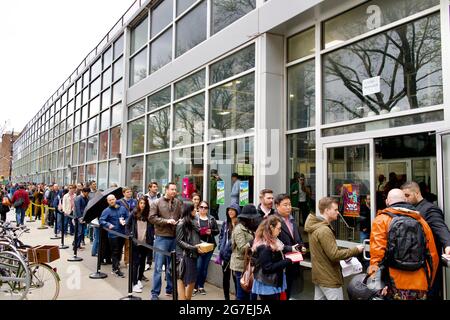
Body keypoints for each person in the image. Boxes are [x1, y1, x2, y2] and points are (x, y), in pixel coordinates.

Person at [368, 188, 439, 300]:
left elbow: (377, 256)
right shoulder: (421, 221)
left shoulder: (381, 220)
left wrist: (376, 285)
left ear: (387, 202)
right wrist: (429, 282)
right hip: (419, 284)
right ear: (405, 200)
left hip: (393, 284)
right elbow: (433, 256)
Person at [304, 197, 364, 300]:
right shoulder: (324, 230)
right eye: (335, 210)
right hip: (329, 278)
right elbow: (334, 255)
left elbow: (325, 250)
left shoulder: (317, 226)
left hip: (320, 276)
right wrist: (356, 250)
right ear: (327, 210)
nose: (338, 213)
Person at [401, 181, 450, 299]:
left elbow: (440, 227)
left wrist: (448, 244)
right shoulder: (410, 208)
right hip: (415, 264)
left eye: (407, 196)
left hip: (428, 263)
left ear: (417, 193)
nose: (405, 199)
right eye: (404, 197)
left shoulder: (429, 209)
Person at [149, 182, 182, 300]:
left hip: (174, 238)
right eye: (172, 189)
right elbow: (151, 218)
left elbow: (181, 216)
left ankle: (170, 289)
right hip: (161, 238)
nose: (174, 191)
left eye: (175, 190)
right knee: (158, 267)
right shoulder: (156, 202)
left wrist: (179, 222)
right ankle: (154, 293)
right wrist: (166, 221)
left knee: (172, 267)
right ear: (166, 190)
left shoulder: (178, 202)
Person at [251, 215, 294, 300]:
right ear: (271, 228)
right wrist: (288, 261)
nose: (280, 231)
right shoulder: (264, 246)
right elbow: (267, 268)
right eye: (278, 228)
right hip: (268, 284)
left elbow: (282, 248)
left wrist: (292, 249)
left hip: (270, 282)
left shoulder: (272, 241)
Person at [274, 193, 306, 299]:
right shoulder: (273, 221)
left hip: (293, 263)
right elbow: (273, 242)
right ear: (277, 206)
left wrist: (301, 247)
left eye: (290, 204)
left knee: (289, 292)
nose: (289, 207)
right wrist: (290, 248)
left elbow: (298, 239)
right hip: (280, 263)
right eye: (285, 205)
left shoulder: (292, 220)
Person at [175, 202, 205, 300]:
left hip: (193, 254)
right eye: (194, 209)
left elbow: (196, 237)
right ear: (189, 210)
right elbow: (179, 241)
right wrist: (194, 247)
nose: (196, 210)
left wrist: (201, 245)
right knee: (181, 279)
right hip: (183, 255)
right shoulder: (181, 223)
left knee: (192, 280)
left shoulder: (194, 221)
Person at [230, 204, 261, 300]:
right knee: (242, 294)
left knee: (249, 292)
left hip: (249, 265)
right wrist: (253, 241)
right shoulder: (239, 229)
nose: (254, 220)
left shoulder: (249, 227)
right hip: (240, 266)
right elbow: (243, 248)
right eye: (252, 218)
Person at [126, 196, 153, 293]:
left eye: (144, 203)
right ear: (138, 203)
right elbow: (127, 225)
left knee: (142, 262)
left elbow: (152, 227)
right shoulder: (134, 213)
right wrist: (130, 235)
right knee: (135, 263)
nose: (142, 205)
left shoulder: (148, 214)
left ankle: (138, 279)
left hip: (145, 242)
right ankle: (134, 283)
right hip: (135, 242)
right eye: (141, 203)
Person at [193, 200, 219, 296]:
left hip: (209, 246)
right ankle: (195, 286)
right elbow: (190, 231)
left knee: (204, 268)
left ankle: (201, 286)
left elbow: (217, 231)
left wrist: (210, 231)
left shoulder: (211, 218)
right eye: (201, 207)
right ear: (198, 208)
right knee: (198, 267)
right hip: (198, 245)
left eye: (205, 208)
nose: (203, 209)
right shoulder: (194, 218)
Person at [99, 194, 129, 278]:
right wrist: (108, 224)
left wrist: (125, 221)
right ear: (108, 201)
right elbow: (101, 220)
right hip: (112, 235)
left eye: (113, 199)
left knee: (119, 251)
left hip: (122, 233)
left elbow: (128, 216)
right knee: (115, 251)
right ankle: (116, 269)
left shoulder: (122, 208)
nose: (112, 201)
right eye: (110, 200)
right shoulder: (106, 210)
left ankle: (116, 265)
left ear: (116, 199)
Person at [218, 203, 240, 300]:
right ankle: (226, 297)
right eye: (229, 210)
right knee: (225, 278)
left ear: (237, 211)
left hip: (235, 255)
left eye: (232, 210)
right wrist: (221, 247)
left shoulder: (240, 224)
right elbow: (221, 236)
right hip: (225, 254)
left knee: (236, 278)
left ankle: (237, 297)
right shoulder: (225, 223)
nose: (230, 212)